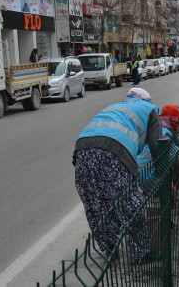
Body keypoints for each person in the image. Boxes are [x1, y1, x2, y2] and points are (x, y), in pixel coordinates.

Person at [73, 87, 162, 259]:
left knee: (96, 203)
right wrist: (161, 173)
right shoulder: (150, 110)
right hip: (114, 152)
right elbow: (157, 147)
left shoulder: (116, 107)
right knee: (130, 202)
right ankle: (141, 253)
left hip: (82, 150)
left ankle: (110, 247)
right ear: (146, 100)